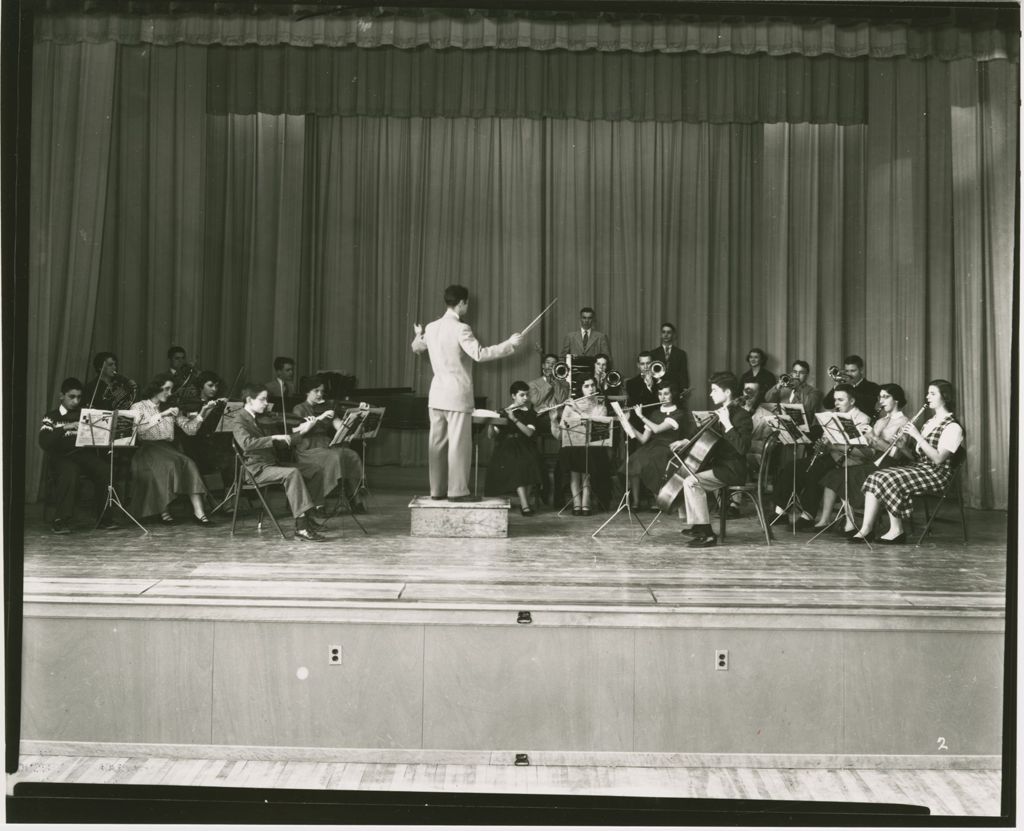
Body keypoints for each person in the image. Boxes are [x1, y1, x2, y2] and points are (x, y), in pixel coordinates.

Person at [411, 284, 522, 502]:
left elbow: (416, 347)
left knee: (437, 445)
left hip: (436, 397)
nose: (467, 307)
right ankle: (457, 492)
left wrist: (418, 334)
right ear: (461, 303)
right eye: (466, 303)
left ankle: (437, 491)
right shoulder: (461, 328)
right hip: (456, 396)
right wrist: (509, 344)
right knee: (458, 446)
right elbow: (479, 354)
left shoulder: (431, 328)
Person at [851, 379, 964, 545]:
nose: (927, 397)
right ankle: (866, 529)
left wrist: (917, 436)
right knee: (876, 476)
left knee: (889, 478)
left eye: (932, 393)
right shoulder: (930, 422)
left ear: (945, 397)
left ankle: (897, 531)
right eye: (928, 393)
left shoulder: (953, 427)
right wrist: (903, 447)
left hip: (937, 474)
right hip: (921, 468)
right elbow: (915, 457)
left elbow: (939, 459)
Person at [232, 383, 328, 542]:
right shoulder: (239, 419)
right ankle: (302, 527)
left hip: (272, 464)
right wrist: (273, 438)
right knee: (292, 473)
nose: (266, 403)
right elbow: (247, 444)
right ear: (249, 400)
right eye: (262, 400)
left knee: (315, 469)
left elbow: (283, 442)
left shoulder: (263, 418)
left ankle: (309, 517)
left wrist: (303, 430)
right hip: (256, 469)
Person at [814, 383, 912, 535]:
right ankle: (850, 523)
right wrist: (856, 438)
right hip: (873, 461)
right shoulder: (880, 421)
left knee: (846, 475)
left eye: (886, 397)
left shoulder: (904, 422)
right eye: (880, 397)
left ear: (897, 400)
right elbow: (871, 450)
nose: (881, 401)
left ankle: (858, 526)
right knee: (837, 474)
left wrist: (874, 437)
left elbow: (895, 454)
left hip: (889, 465)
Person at [771, 383, 871, 526]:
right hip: (830, 455)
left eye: (840, 400)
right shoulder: (834, 415)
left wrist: (831, 446)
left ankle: (808, 515)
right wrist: (822, 445)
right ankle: (780, 511)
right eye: (835, 399)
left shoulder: (862, 418)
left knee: (815, 472)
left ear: (852, 401)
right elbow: (827, 438)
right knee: (792, 466)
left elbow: (857, 448)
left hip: (848, 459)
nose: (836, 403)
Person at [674, 372, 752, 548]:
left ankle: (707, 534)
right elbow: (703, 434)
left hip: (732, 469)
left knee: (691, 482)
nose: (711, 394)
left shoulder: (742, 416)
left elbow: (743, 448)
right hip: (719, 465)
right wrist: (686, 441)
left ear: (728, 393)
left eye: (715, 390)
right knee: (683, 474)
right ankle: (697, 525)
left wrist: (728, 424)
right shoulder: (720, 412)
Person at [129, 374, 215, 525]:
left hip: (168, 448)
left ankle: (199, 513)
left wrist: (203, 412)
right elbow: (139, 432)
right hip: (148, 449)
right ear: (156, 388)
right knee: (168, 465)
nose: (169, 393)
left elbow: (190, 430)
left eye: (171, 390)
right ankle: (163, 510)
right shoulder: (138, 407)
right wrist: (162, 415)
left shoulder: (171, 408)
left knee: (189, 463)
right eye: (166, 389)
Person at [38, 377, 120, 534]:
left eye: (79, 397)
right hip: (62, 456)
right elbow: (44, 441)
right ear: (61, 396)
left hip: (82, 454)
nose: (76, 401)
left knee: (104, 470)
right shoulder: (52, 416)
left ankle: (104, 518)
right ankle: (61, 519)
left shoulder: (84, 414)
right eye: (72, 397)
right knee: (70, 472)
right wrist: (65, 427)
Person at [292, 374, 368, 514]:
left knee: (351, 455)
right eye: (316, 391)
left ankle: (354, 497)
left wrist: (356, 417)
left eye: (322, 391)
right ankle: (319, 503)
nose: (320, 394)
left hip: (325, 445)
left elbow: (340, 427)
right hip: (308, 447)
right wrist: (318, 418)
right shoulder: (299, 408)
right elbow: (297, 430)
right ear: (307, 392)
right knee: (334, 457)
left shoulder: (327, 407)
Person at [623, 381, 686, 511]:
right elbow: (644, 439)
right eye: (660, 394)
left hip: (668, 448)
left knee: (652, 460)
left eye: (666, 394)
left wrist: (640, 416)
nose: (662, 397)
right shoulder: (654, 413)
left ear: (673, 395)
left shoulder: (678, 414)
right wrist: (628, 423)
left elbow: (657, 430)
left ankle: (659, 500)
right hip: (652, 446)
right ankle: (635, 502)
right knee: (634, 460)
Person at [484, 381, 544, 515]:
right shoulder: (505, 411)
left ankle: (525, 502)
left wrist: (514, 419)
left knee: (529, 462)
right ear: (513, 396)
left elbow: (529, 433)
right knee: (518, 464)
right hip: (507, 447)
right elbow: (491, 436)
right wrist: (492, 421)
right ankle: (525, 505)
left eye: (527, 395)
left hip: (524, 445)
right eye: (522, 395)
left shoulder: (530, 413)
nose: (525, 398)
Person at [555, 377, 612, 515]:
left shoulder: (601, 407)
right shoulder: (571, 405)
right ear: (581, 389)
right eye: (586, 386)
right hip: (574, 445)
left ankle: (585, 502)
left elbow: (598, 427)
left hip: (592, 447)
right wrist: (554, 420)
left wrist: (578, 411)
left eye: (592, 385)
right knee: (575, 467)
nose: (590, 388)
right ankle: (576, 503)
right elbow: (561, 430)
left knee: (586, 467)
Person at [178, 370, 234, 492]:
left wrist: (226, 407)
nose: (214, 389)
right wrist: (206, 410)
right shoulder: (191, 405)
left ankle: (229, 496)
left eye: (216, 386)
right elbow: (193, 431)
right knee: (229, 459)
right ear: (200, 386)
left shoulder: (218, 404)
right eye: (210, 385)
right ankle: (227, 497)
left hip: (214, 446)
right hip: (197, 448)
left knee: (233, 455)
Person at [528, 352, 570, 435]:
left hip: (559, 417)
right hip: (541, 418)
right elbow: (536, 401)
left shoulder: (565, 384)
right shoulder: (532, 384)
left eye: (553, 364)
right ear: (543, 365)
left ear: (557, 366)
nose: (550, 365)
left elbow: (561, 400)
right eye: (548, 363)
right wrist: (548, 383)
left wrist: (555, 380)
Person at [624, 351, 660, 436]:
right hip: (639, 421)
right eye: (642, 364)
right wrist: (648, 386)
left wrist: (651, 386)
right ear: (638, 365)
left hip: (656, 421)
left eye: (648, 363)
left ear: (653, 363)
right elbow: (638, 402)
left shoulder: (660, 381)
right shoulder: (631, 383)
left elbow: (658, 405)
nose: (646, 367)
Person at [649, 323, 689, 393]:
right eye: (663, 332)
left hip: (675, 389)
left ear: (673, 335)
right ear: (661, 334)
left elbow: (683, 373)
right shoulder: (653, 353)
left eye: (669, 332)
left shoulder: (681, 354)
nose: (666, 335)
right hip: (658, 389)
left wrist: (685, 388)